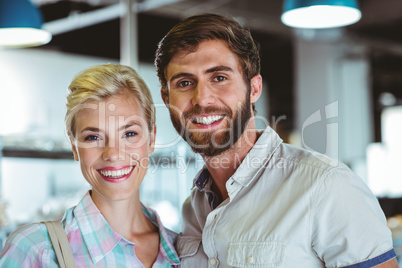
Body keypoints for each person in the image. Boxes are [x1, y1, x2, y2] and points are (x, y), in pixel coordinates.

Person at [155, 13, 399, 267]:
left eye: (219, 78)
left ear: (255, 88)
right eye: (184, 83)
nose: (202, 99)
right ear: (166, 99)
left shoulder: (326, 186)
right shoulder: (192, 210)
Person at [0, 64, 179, 267]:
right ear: (74, 147)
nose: (112, 153)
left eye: (129, 134)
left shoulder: (184, 251)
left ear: (152, 139)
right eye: (93, 137)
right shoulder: (36, 250)